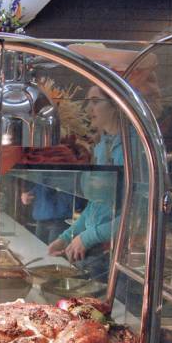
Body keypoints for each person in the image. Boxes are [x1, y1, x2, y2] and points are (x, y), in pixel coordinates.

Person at [48, 86, 123, 278]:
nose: (89, 109)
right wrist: (66, 237)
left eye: (96, 101)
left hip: (119, 256)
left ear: (116, 104)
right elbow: (96, 206)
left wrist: (87, 237)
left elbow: (139, 215)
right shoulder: (101, 146)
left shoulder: (132, 149)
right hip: (94, 252)